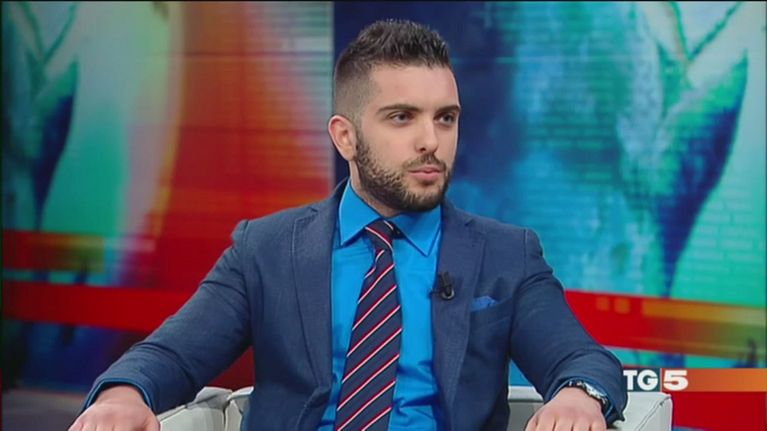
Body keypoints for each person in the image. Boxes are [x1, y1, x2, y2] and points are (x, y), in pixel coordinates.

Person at [69, 19, 626, 431]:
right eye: (402, 117)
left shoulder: (506, 254)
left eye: (446, 118)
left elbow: (583, 360)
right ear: (345, 136)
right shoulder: (265, 249)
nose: (431, 140)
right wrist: (122, 396)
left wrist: (578, 397)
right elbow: (171, 355)